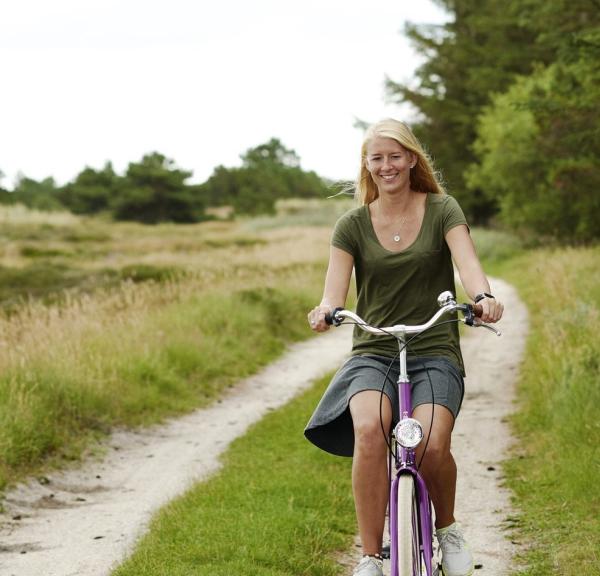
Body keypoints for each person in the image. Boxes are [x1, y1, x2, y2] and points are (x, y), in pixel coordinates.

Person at [304, 118, 504, 576]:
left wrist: (484, 298)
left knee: (432, 443)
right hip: (374, 351)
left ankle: (448, 530)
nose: (387, 165)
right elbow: (333, 293)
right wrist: (325, 311)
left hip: (433, 348)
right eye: (378, 158)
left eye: (396, 156)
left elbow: (469, 266)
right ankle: (371, 557)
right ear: (367, 166)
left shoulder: (442, 209)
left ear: (412, 159)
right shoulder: (351, 224)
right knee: (371, 432)